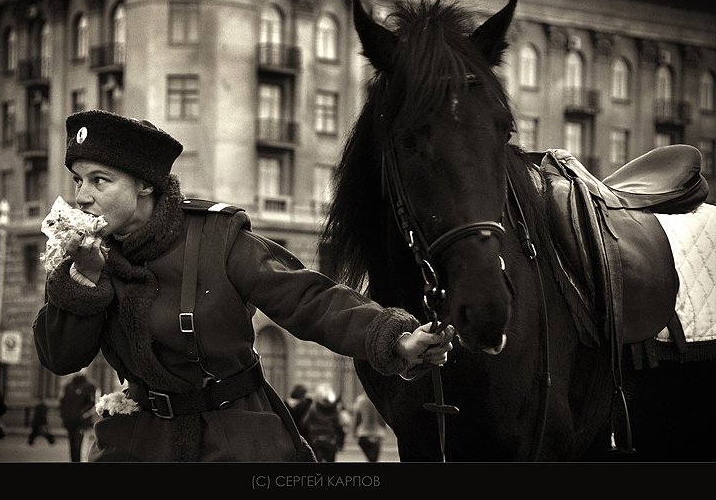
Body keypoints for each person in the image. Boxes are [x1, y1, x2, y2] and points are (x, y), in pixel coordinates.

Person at [32, 109, 454, 462]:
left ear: (145, 185)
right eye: (77, 181)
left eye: (99, 181)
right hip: (135, 443)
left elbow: (307, 297)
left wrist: (395, 337)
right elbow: (60, 356)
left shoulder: (216, 237)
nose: (82, 197)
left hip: (235, 438)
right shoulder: (86, 257)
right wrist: (82, 279)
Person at [300, 383, 345, 462]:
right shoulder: (334, 410)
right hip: (330, 440)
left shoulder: (313, 408)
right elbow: (339, 425)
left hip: (316, 439)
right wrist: (340, 442)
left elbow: (304, 423)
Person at [59, 372, 96, 462]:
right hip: (70, 421)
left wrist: (82, 415)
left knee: (79, 445)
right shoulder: (68, 386)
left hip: (81, 422)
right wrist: (64, 416)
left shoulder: (90, 386)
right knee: (72, 446)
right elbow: (63, 402)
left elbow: (92, 403)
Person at [353, 391, 387, 462]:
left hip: (363, 433)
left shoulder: (360, 400)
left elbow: (357, 418)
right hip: (377, 433)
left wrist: (354, 431)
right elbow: (382, 417)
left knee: (370, 458)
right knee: (374, 459)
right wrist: (384, 427)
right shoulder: (378, 399)